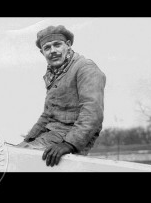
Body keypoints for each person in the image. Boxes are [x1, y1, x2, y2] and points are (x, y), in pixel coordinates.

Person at [18, 25, 106, 167]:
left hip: (71, 135)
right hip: (52, 133)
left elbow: (92, 113)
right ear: (42, 53)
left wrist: (69, 144)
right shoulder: (54, 73)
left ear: (68, 45)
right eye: (47, 48)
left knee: (22, 162)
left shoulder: (85, 68)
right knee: (15, 153)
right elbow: (47, 115)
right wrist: (28, 139)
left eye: (57, 45)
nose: (53, 51)